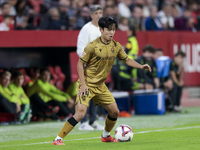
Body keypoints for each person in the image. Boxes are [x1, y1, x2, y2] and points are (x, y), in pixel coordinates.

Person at [52, 16, 151, 145]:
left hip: (100, 86)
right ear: (101, 29)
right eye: (108, 29)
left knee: (114, 112)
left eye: (113, 29)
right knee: (81, 114)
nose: (111, 32)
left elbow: (126, 59)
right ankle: (58, 139)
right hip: (86, 84)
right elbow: (79, 65)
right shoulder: (92, 46)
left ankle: (106, 136)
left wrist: (140, 66)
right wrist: (82, 85)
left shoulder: (116, 46)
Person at [76, 5, 104, 131]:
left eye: (100, 12)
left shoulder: (103, 29)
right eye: (96, 13)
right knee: (85, 93)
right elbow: (80, 49)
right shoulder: (86, 29)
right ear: (91, 15)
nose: (98, 15)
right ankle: (83, 122)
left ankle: (92, 121)